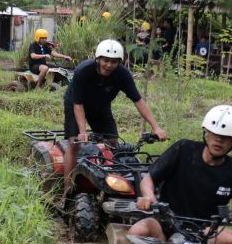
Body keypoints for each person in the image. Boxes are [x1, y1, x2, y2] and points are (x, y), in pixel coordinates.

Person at [130, 105, 232, 244]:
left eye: (226, 137)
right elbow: (149, 179)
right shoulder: (183, 149)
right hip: (164, 223)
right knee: (138, 230)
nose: (219, 140)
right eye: (214, 134)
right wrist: (149, 197)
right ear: (206, 133)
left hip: (206, 232)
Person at [62, 39, 167, 179]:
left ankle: (108, 180)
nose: (109, 65)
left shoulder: (123, 75)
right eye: (105, 60)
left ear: (119, 62)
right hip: (75, 103)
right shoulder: (83, 71)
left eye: (114, 61)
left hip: (101, 106)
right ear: (98, 59)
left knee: (112, 142)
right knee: (74, 143)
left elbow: (138, 101)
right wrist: (82, 131)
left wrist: (156, 127)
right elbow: (78, 104)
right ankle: (68, 187)